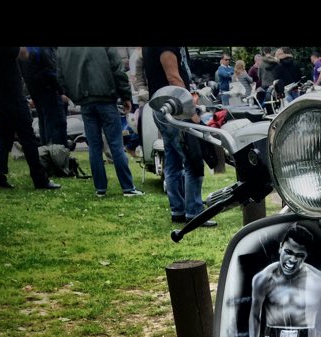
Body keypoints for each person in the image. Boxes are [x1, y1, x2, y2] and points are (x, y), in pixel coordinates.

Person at [57, 47, 143, 198]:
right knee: (116, 144)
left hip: (84, 100)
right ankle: (128, 187)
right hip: (105, 97)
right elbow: (117, 69)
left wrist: (73, 95)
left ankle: (100, 188)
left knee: (94, 146)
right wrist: (125, 96)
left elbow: (60, 76)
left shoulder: (63, 49)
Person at [141, 46, 213, 226]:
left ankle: (178, 210)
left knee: (172, 159)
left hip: (163, 106)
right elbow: (173, 77)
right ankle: (194, 212)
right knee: (192, 160)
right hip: (174, 107)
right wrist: (190, 110)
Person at [0, 47, 61, 191]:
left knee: (4, 135)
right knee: (28, 137)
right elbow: (24, 54)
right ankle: (40, 179)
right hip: (12, 94)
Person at [19, 46, 67, 147]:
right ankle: (56, 150)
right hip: (49, 89)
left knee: (44, 122)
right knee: (55, 123)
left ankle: (46, 149)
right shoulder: (42, 49)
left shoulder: (26, 50)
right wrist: (62, 90)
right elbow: (51, 70)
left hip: (35, 90)